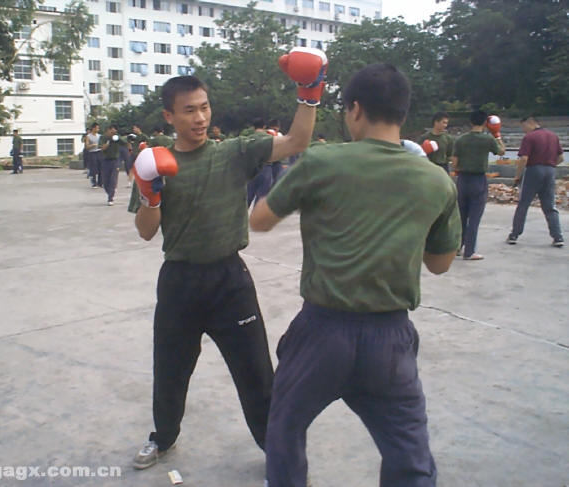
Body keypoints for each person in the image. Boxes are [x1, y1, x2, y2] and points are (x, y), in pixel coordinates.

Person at [249, 63, 460, 487]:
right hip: (390, 338)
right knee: (409, 455)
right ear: (402, 113)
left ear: (356, 109)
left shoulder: (322, 161)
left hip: (322, 332)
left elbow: (260, 220)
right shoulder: (435, 180)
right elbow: (440, 264)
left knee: (285, 429)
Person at [129, 47, 327, 471]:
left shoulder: (234, 152)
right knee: (169, 371)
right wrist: (150, 192)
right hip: (179, 281)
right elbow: (146, 231)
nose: (199, 118)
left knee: (257, 375)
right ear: (169, 117)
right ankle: (163, 438)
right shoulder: (154, 164)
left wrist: (308, 93)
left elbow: (296, 142)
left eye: (204, 108)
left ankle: (276, 451)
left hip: (229, 281)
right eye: (188, 111)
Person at [451, 110, 505, 260]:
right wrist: (497, 135)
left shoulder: (461, 140)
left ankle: (457, 247)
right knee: (474, 217)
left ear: (470, 122)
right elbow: (501, 152)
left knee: (461, 215)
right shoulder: (487, 140)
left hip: (462, 180)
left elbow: (454, 161)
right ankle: (469, 251)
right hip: (478, 180)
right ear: (485, 123)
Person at [507, 116, 564, 247]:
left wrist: (518, 175)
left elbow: (524, 159)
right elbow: (560, 157)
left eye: (523, 126)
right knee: (549, 205)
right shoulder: (553, 136)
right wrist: (550, 165)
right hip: (550, 170)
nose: (523, 130)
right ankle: (558, 236)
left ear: (530, 123)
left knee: (523, 204)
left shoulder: (529, 137)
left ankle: (514, 234)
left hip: (533, 170)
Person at [247, 118, 274, 207]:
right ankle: (255, 219)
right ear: (264, 126)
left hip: (251, 169)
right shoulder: (270, 138)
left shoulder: (248, 138)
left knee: (248, 195)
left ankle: (240, 219)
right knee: (262, 197)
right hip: (266, 168)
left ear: (253, 127)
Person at [100, 124, 128, 206]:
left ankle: (110, 197)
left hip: (115, 161)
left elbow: (125, 142)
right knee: (105, 181)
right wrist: (108, 143)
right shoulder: (103, 137)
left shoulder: (117, 137)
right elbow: (102, 148)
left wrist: (118, 138)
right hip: (105, 161)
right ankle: (110, 192)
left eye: (115, 131)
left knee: (113, 179)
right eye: (112, 130)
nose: (113, 132)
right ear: (108, 130)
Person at [85, 123, 102, 188]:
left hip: (99, 152)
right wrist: (92, 145)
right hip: (92, 153)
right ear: (93, 128)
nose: (98, 129)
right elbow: (87, 146)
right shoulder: (88, 136)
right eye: (97, 128)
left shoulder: (99, 136)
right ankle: (93, 183)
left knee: (101, 167)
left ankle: (100, 182)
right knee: (93, 168)